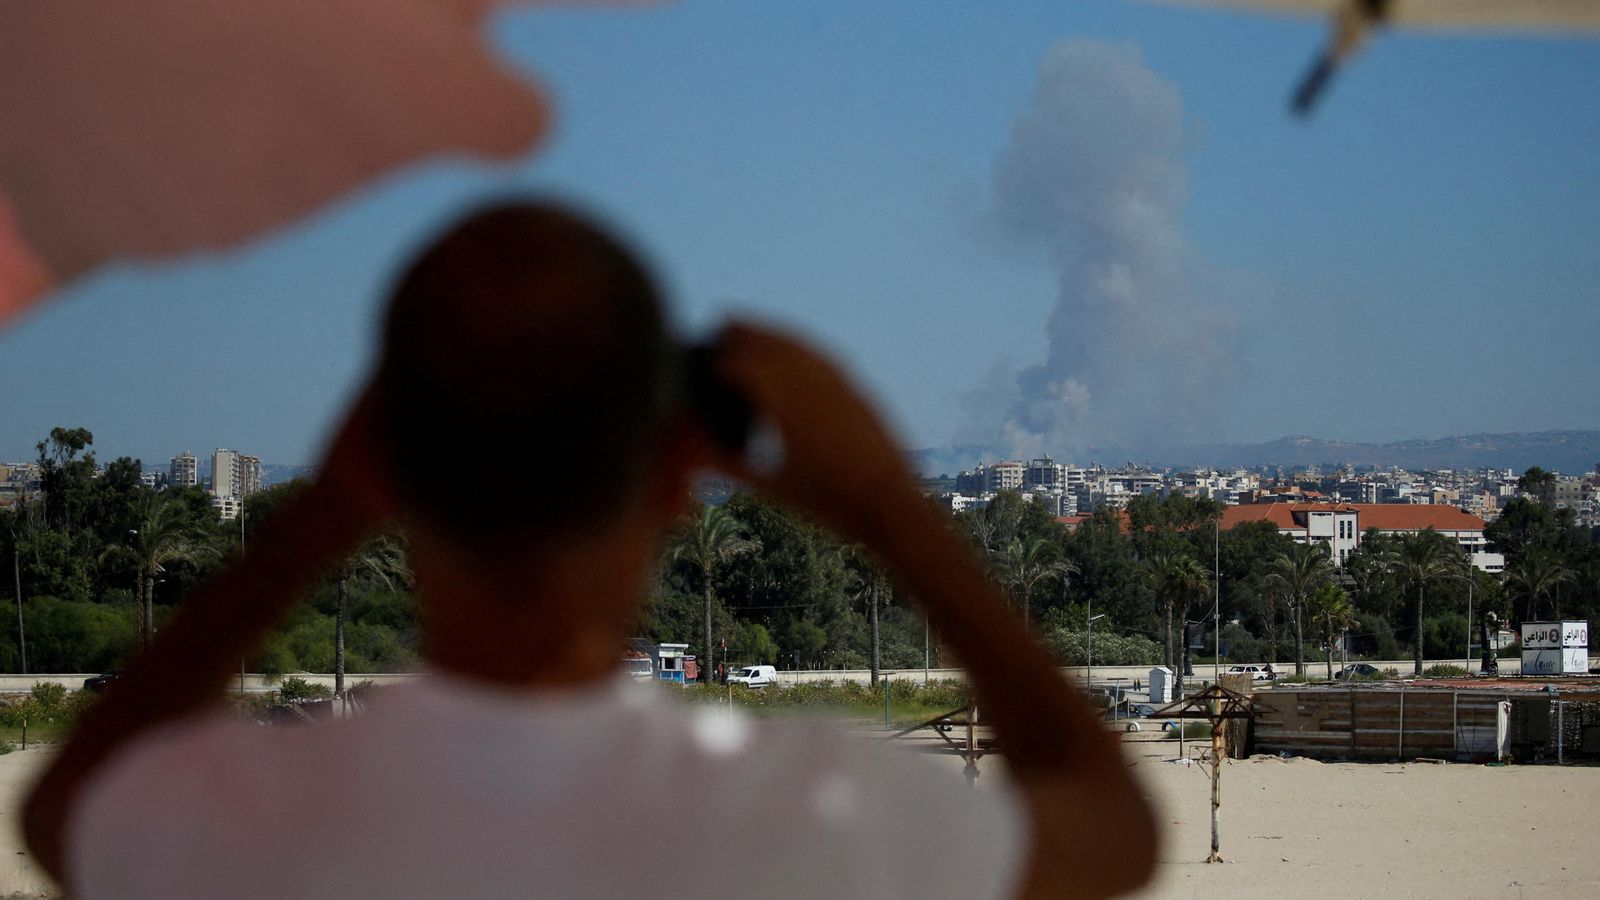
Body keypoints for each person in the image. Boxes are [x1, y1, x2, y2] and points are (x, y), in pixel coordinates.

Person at [24, 201, 1157, 898]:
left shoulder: (248, 823)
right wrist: (888, 506)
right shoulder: (823, 815)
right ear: (677, 474)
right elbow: (1110, 829)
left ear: (386, 458)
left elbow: (61, 810)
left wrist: (321, 511)